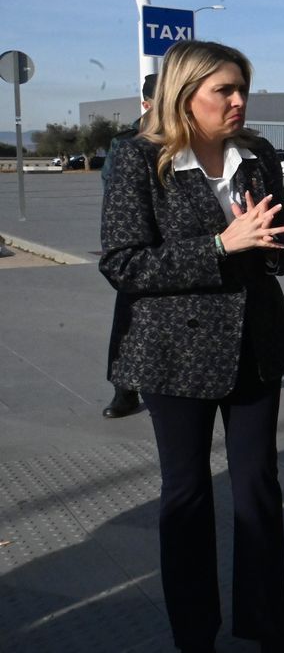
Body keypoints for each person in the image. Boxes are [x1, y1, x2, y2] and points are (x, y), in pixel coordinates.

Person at [99, 41, 284, 653]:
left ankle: (267, 619)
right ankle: (195, 638)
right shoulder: (138, 160)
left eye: (242, 88)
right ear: (186, 95)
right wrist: (220, 245)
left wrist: (269, 246)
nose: (239, 101)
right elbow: (123, 264)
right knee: (186, 496)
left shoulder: (258, 155)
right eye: (225, 92)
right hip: (174, 354)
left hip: (255, 345)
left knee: (258, 489)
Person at [101, 71, 156, 420]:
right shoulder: (125, 143)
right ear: (147, 103)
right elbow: (111, 186)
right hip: (135, 239)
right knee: (129, 317)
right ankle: (124, 389)